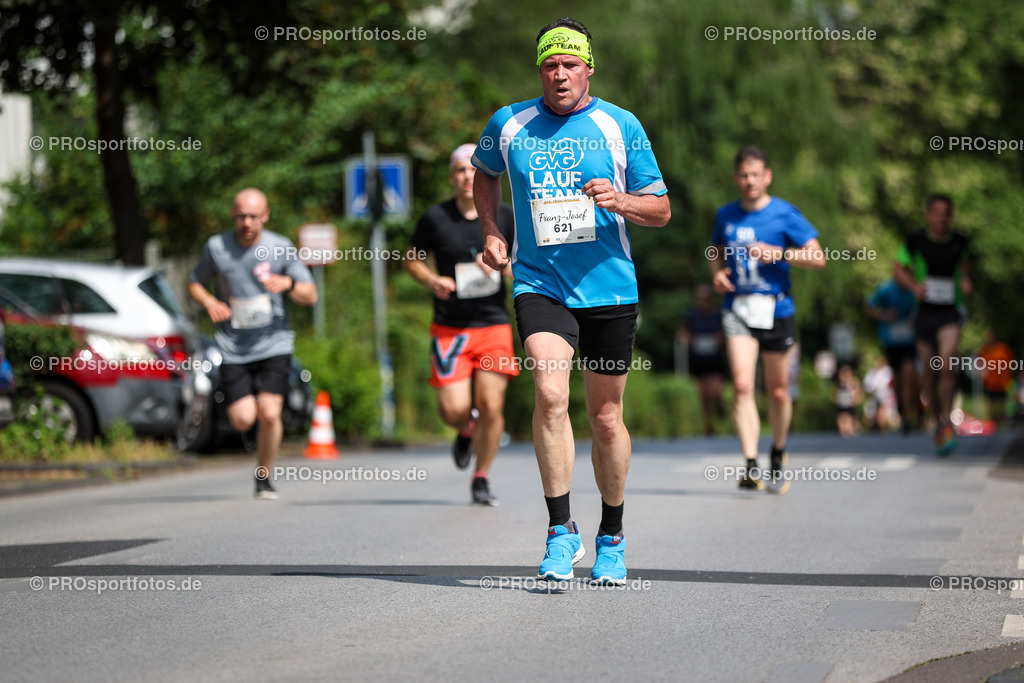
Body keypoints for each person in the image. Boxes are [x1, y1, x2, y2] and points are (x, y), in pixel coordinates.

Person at [474, 17, 670, 584]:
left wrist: (622, 200)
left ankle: (612, 535)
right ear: (540, 69)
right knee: (550, 391)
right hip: (540, 283)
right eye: (549, 65)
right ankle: (561, 531)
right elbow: (481, 172)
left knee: (607, 418)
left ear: (589, 68)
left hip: (610, 287)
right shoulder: (509, 123)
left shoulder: (620, 125)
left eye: (569, 64)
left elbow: (661, 209)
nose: (559, 75)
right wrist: (492, 231)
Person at [404, 143, 519, 506]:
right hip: (450, 328)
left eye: (473, 170)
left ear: (484, 174)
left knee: (491, 405)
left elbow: (524, 269)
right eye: (459, 170)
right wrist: (431, 281)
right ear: (451, 176)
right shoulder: (435, 218)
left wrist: (501, 267)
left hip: (492, 325)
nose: (467, 177)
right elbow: (412, 259)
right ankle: (465, 429)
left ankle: (481, 477)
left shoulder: (507, 216)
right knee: (452, 411)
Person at [709, 145, 825, 495]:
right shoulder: (725, 215)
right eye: (743, 175)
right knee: (743, 386)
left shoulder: (785, 213)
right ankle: (750, 465)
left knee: (777, 391)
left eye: (756, 175)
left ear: (767, 176)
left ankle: (777, 452)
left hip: (777, 309)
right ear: (736, 178)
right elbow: (714, 250)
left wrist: (781, 254)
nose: (749, 181)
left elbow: (818, 258)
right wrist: (716, 274)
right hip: (738, 308)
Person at [188, 188, 317, 499]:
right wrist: (209, 302)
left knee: (270, 414)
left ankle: (264, 475)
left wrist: (287, 284)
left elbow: (310, 295)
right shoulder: (217, 247)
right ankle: (258, 419)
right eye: (241, 216)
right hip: (234, 346)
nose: (247, 223)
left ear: (265, 216)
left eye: (254, 217)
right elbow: (194, 283)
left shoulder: (280, 247)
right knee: (243, 418)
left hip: (275, 342)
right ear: (233, 215)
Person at [894, 194, 971, 455]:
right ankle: (938, 420)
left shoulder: (960, 242)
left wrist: (966, 282)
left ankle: (946, 421)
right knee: (930, 371)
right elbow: (898, 269)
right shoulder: (915, 242)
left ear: (951, 216)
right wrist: (914, 286)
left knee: (946, 363)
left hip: (950, 311)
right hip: (924, 312)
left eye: (946, 213)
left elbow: (965, 269)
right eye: (936, 212)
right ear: (928, 215)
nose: (941, 218)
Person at [865, 278, 920, 433]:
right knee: (898, 379)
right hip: (891, 342)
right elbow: (869, 307)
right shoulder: (885, 290)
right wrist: (884, 315)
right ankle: (902, 412)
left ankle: (908, 417)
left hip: (909, 341)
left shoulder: (915, 290)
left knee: (909, 374)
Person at [678, 284, 726, 436]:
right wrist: (688, 339)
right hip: (699, 358)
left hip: (715, 358)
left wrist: (719, 339)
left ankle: (719, 406)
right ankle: (709, 426)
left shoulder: (718, 315)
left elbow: (725, 333)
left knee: (715, 392)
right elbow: (683, 333)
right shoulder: (692, 316)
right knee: (704, 396)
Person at [976, 329, 1015, 424]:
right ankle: (993, 422)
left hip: (1003, 382)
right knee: (991, 404)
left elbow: (1012, 362)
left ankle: (1004, 420)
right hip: (990, 383)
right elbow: (979, 364)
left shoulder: (1003, 349)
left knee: (1004, 403)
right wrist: (980, 376)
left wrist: (1010, 373)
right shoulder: (984, 351)